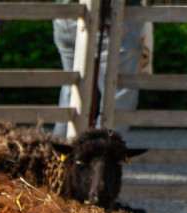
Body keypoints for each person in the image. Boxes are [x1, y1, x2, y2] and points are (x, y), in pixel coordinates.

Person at [53, 0, 149, 137]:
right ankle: (102, 152)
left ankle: (61, 153)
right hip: (111, 14)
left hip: (66, 13)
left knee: (73, 89)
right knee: (118, 95)